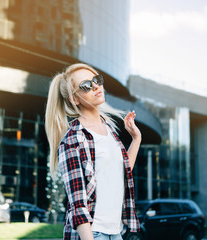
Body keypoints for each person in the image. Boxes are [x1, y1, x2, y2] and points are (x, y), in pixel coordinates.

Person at [45, 63, 141, 240]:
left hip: (116, 231)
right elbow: (77, 204)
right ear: (75, 99)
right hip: (92, 234)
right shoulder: (73, 139)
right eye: (86, 85)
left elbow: (122, 172)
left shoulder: (109, 131)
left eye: (96, 80)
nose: (96, 86)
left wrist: (136, 139)